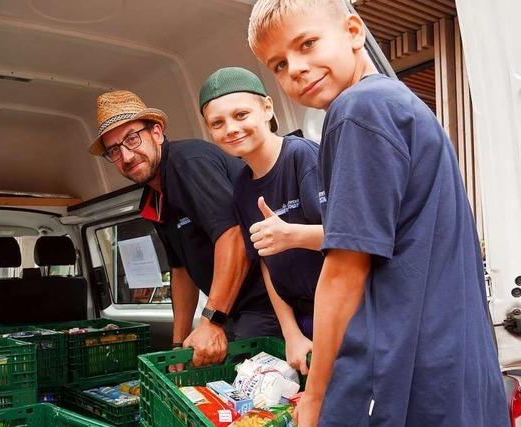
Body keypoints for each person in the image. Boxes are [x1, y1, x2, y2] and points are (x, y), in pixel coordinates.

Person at [247, 1, 508, 426]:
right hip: (450, 367)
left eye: (307, 43)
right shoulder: (395, 103)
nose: (294, 68)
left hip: (403, 372)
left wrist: (314, 398)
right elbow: (392, 236)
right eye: (278, 64)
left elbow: (345, 269)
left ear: (353, 31)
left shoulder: (358, 111)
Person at [89, 90, 280, 368]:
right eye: (114, 151)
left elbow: (233, 236)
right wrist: (177, 347)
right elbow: (181, 271)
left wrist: (212, 320)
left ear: (156, 132)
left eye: (132, 138)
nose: (127, 156)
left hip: (265, 304)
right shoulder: (154, 198)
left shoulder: (188, 162)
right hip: (233, 310)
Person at [198, 66, 323, 376]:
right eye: (218, 123)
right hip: (303, 317)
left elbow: (353, 237)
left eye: (241, 115)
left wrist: (292, 235)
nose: (231, 129)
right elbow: (265, 262)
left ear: (267, 108)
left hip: (348, 310)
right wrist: (292, 333)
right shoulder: (242, 185)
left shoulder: (302, 157)